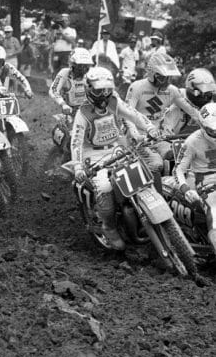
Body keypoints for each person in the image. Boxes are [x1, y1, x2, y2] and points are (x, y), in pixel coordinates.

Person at [71, 67, 158, 249]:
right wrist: (78, 166)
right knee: (104, 186)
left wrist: (149, 127)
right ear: (89, 90)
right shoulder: (83, 113)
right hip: (93, 155)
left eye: (107, 90)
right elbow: (76, 142)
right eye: (98, 91)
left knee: (144, 173)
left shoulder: (114, 102)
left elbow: (134, 115)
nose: (103, 95)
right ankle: (108, 226)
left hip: (117, 148)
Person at [125, 53, 199, 191]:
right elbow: (127, 115)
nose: (166, 81)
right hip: (138, 138)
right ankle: (156, 198)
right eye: (162, 77)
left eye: (168, 77)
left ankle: (175, 191)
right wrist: (135, 135)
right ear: (152, 73)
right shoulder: (137, 87)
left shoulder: (172, 91)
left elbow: (192, 111)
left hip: (158, 137)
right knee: (156, 164)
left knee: (176, 155)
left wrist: (209, 124)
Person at [174, 102, 216, 251]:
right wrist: (186, 189)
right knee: (214, 209)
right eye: (213, 131)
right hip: (206, 181)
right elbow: (178, 169)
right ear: (203, 127)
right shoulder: (192, 141)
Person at [162, 68, 216, 136]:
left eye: (208, 91)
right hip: (171, 137)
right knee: (175, 109)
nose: (205, 96)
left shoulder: (209, 103)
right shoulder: (179, 94)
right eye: (201, 91)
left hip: (197, 140)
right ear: (191, 89)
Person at [49, 47, 94, 115]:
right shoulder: (65, 73)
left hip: (88, 111)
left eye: (86, 65)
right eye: (81, 65)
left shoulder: (91, 74)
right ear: (73, 64)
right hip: (70, 111)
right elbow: (53, 90)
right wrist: (63, 104)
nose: (84, 68)